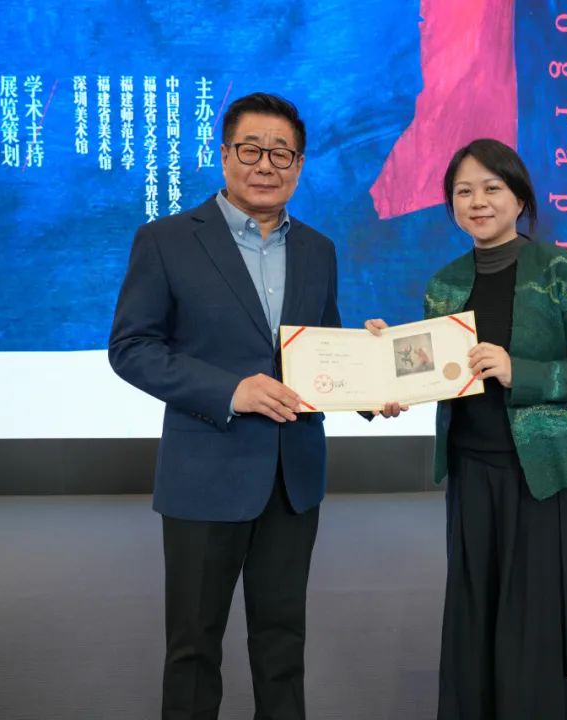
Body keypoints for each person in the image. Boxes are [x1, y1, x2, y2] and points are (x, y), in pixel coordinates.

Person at [109, 92, 399, 720]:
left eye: (281, 153)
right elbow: (132, 348)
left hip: (293, 479)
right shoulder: (165, 240)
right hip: (204, 476)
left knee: (282, 643)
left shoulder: (318, 249)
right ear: (225, 154)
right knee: (193, 648)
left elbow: (322, 348)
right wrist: (229, 391)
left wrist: (373, 381)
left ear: (299, 165)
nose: (266, 164)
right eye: (251, 149)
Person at [367, 138, 567, 719]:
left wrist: (519, 371)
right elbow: (433, 373)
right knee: (479, 599)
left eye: (491, 188)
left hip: (553, 471)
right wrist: (383, 365)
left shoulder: (562, 270)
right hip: (472, 467)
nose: (477, 202)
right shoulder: (444, 283)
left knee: (545, 604)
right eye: (464, 192)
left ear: (519, 198)